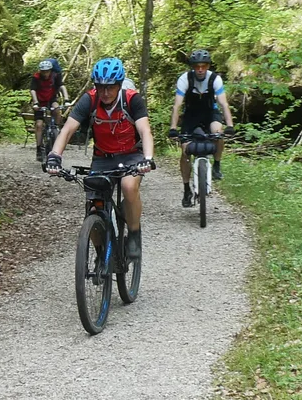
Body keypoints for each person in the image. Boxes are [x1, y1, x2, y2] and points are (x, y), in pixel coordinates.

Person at [43, 57, 155, 254]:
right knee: (93, 208)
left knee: (129, 186)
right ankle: (102, 254)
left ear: (119, 85)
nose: (105, 92)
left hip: (131, 156)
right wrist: (54, 156)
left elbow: (145, 130)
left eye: (110, 87)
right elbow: (68, 129)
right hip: (103, 157)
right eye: (100, 86)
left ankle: (134, 234)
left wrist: (147, 158)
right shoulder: (90, 99)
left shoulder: (132, 100)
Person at [171, 49, 233, 206]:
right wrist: (173, 128)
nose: (200, 69)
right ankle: (186, 189)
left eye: (203, 66)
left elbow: (224, 104)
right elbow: (177, 105)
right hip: (191, 116)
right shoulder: (185, 79)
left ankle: (217, 165)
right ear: (192, 67)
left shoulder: (215, 79)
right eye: (197, 66)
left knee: (218, 133)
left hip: (210, 114)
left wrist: (230, 125)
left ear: (208, 66)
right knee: (185, 151)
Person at [27, 56, 67, 145]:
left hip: (51, 99)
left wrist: (66, 99)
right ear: (40, 71)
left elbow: (62, 86)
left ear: (51, 70)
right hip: (39, 101)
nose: (45, 73)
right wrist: (35, 103)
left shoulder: (55, 76)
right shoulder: (36, 77)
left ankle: (56, 127)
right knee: (39, 125)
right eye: (43, 71)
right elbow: (33, 90)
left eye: (47, 71)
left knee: (57, 109)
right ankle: (39, 148)